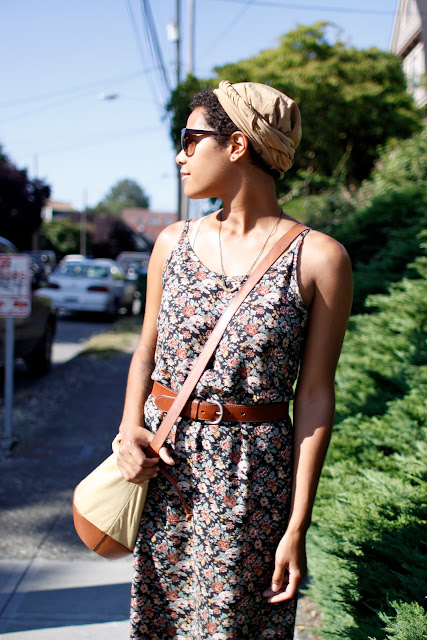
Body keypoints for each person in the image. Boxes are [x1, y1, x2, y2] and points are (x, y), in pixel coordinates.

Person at [116, 80, 353, 640]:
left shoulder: (320, 258)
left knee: (231, 628)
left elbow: (315, 394)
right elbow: (146, 348)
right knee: (161, 625)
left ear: (238, 146)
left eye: (191, 138)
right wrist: (129, 431)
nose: (181, 154)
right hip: (167, 470)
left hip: (252, 482)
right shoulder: (171, 242)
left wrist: (297, 524)